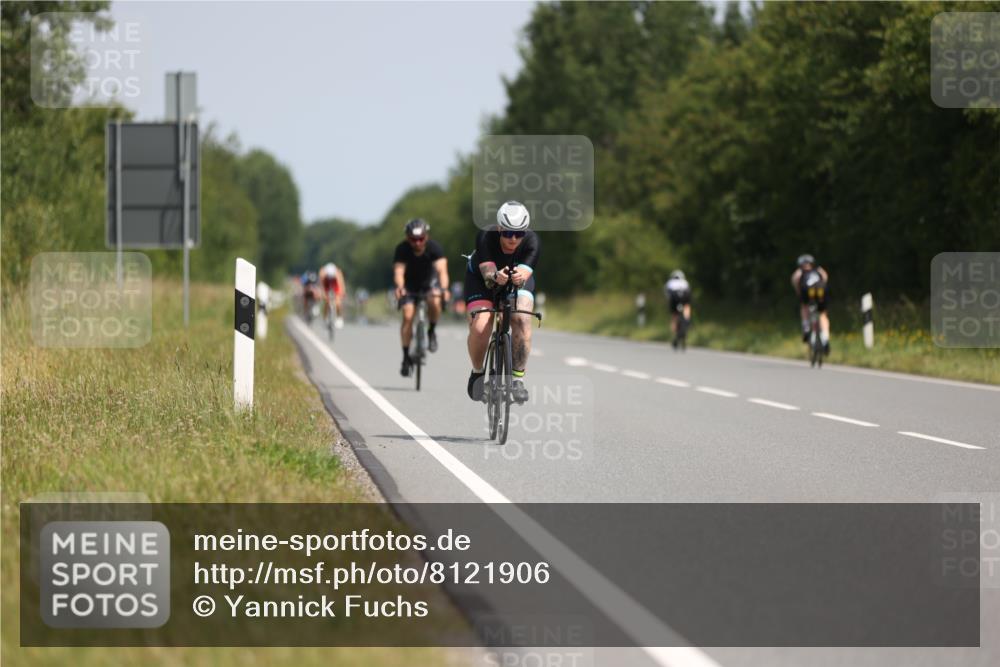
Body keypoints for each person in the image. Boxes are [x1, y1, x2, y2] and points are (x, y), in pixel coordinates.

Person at [464, 201, 539, 404]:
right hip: (482, 280)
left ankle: (517, 380)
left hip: (516, 280)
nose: (513, 239)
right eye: (507, 234)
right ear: (499, 228)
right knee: (481, 326)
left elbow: (525, 273)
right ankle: (478, 373)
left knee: (522, 319)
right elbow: (488, 275)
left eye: (519, 234)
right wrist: (496, 276)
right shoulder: (485, 236)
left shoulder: (531, 240)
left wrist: (518, 278)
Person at [393, 218, 449, 377]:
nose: (417, 243)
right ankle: (405, 358)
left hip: (429, 284)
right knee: (408, 314)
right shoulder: (402, 249)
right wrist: (400, 287)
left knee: (435, 300)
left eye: (421, 239)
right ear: (407, 238)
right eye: (413, 239)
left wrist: (444, 289)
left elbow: (442, 271)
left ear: (426, 236)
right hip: (409, 286)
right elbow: (399, 272)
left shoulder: (434, 248)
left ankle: (431, 331)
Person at [791, 254, 830, 354]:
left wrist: (798, 293)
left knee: (804, 306)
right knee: (822, 314)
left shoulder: (800, 272)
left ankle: (806, 327)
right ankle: (825, 338)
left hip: (806, 292)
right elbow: (825, 277)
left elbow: (795, 280)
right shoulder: (818, 270)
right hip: (820, 292)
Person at [663, 269, 692, 349]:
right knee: (687, 306)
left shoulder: (669, 283)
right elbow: (689, 293)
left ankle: (675, 328)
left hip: (674, 301)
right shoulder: (685, 282)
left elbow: (667, 295)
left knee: (674, 315)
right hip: (685, 299)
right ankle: (687, 319)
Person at [318, 261, 346, 329]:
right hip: (326, 284)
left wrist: (341, 293)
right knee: (327, 302)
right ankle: (325, 319)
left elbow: (341, 285)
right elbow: (321, 286)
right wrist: (323, 294)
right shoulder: (322, 273)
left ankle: (339, 318)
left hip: (335, 284)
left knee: (338, 303)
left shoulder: (338, 273)